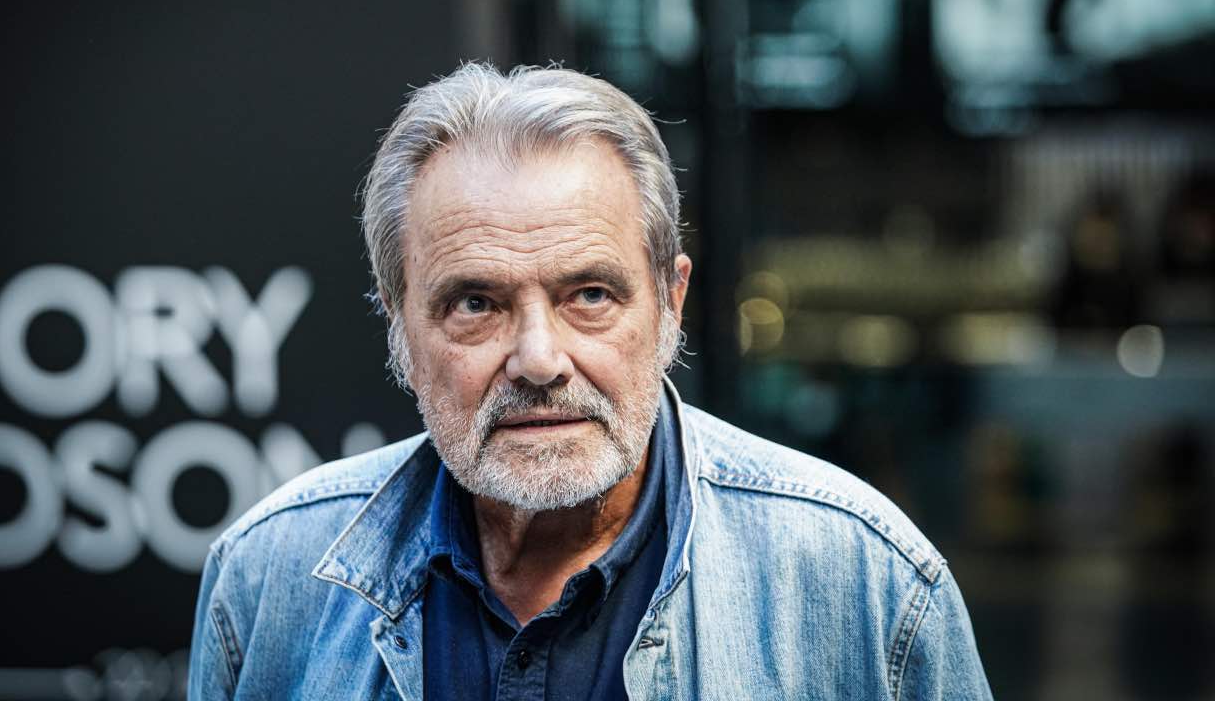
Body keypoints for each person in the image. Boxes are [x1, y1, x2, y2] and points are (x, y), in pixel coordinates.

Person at [187, 62, 993, 700]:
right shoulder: (269, 577)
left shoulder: (865, 580)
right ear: (399, 325)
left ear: (671, 301)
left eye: (591, 296)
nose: (540, 360)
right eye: (476, 303)